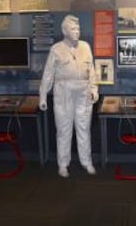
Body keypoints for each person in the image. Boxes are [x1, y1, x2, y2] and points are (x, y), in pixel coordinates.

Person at [39, 14, 99, 178]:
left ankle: (86, 161)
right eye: (73, 29)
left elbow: (91, 70)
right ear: (64, 31)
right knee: (64, 130)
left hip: (83, 91)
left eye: (78, 28)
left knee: (84, 128)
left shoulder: (86, 47)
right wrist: (43, 96)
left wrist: (94, 89)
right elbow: (48, 74)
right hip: (63, 91)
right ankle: (63, 164)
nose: (77, 32)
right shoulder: (56, 49)